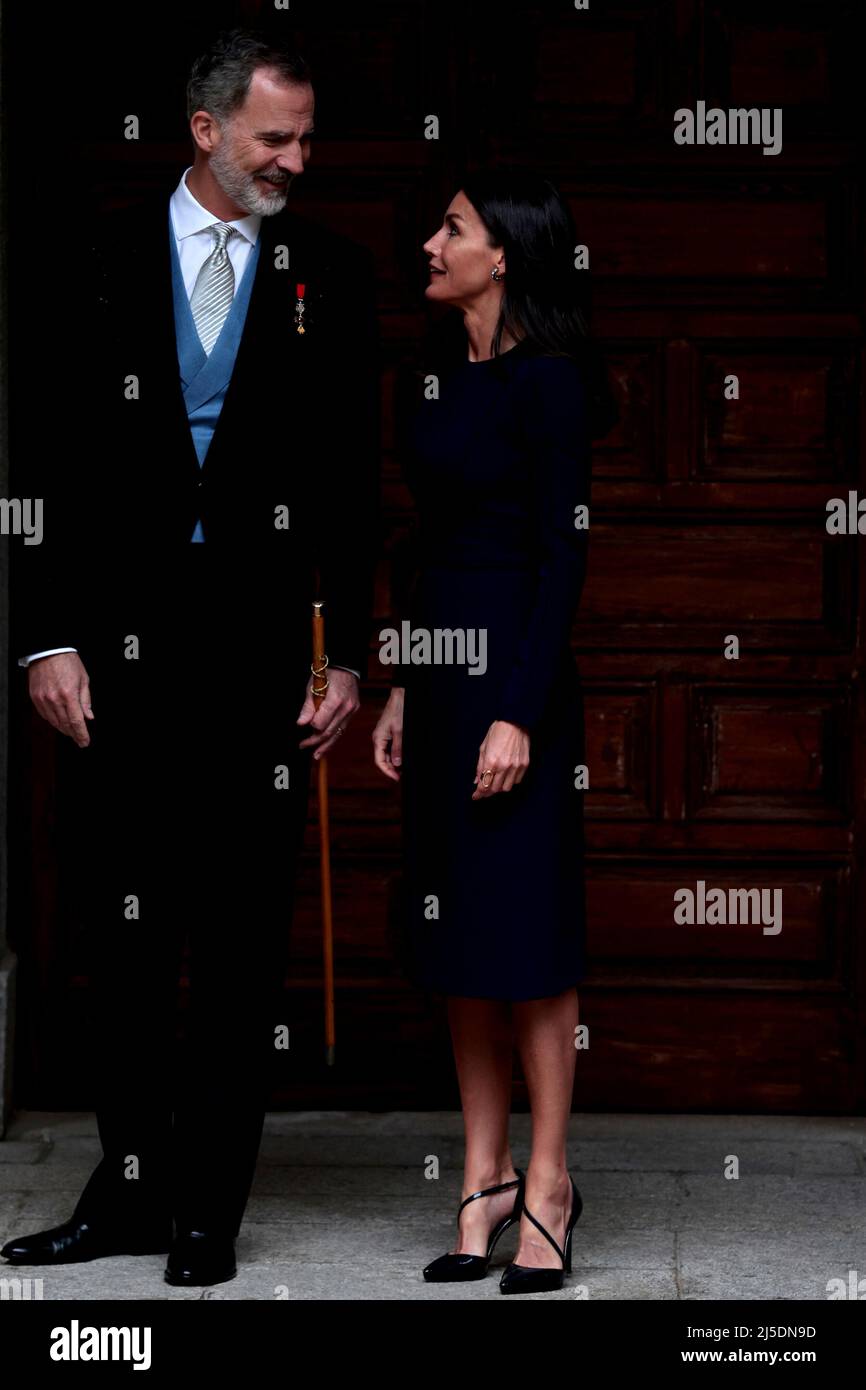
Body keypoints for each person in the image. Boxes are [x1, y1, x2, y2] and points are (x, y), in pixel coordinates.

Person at [4, 28, 379, 1288]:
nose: (295, 159)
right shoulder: (92, 257)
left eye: (306, 138)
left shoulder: (328, 272)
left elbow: (348, 487)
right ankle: (124, 1193)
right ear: (205, 129)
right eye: (275, 137)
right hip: (113, 656)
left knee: (236, 941)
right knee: (123, 936)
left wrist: (351, 660)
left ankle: (208, 1209)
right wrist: (44, 636)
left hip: (260, 658)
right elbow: (36, 458)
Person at [373, 170, 615, 1294]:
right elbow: (422, 553)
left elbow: (562, 558)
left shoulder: (552, 385)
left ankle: (552, 1181)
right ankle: (482, 1178)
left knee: (528, 936)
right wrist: (404, 685)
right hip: (442, 679)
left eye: (452, 228)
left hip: (518, 681)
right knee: (459, 937)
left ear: (504, 253)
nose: (431, 242)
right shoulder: (430, 379)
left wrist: (517, 707)